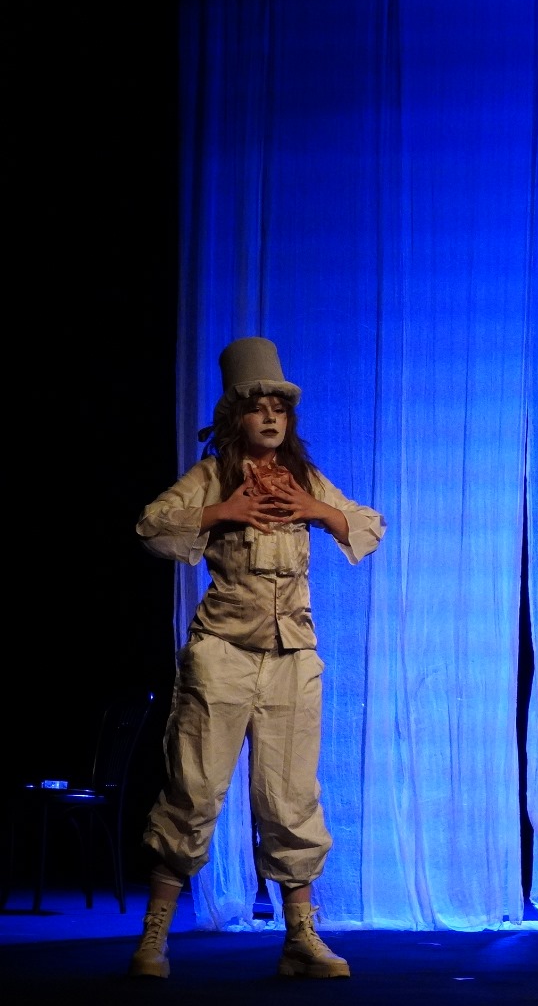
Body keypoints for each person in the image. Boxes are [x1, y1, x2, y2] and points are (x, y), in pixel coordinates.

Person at [128, 336, 387, 980]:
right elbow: (152, 526)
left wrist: (316, 510)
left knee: (292, 796)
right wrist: (223, 511)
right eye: (257, 407)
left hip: (292, 654)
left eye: (280, 407)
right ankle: (153, 938)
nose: (271, 417)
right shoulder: (213, 475)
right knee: (193, 791)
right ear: (234, 416)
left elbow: (368, 525)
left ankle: (300, 938)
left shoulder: (302, 477)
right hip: (222, 651)